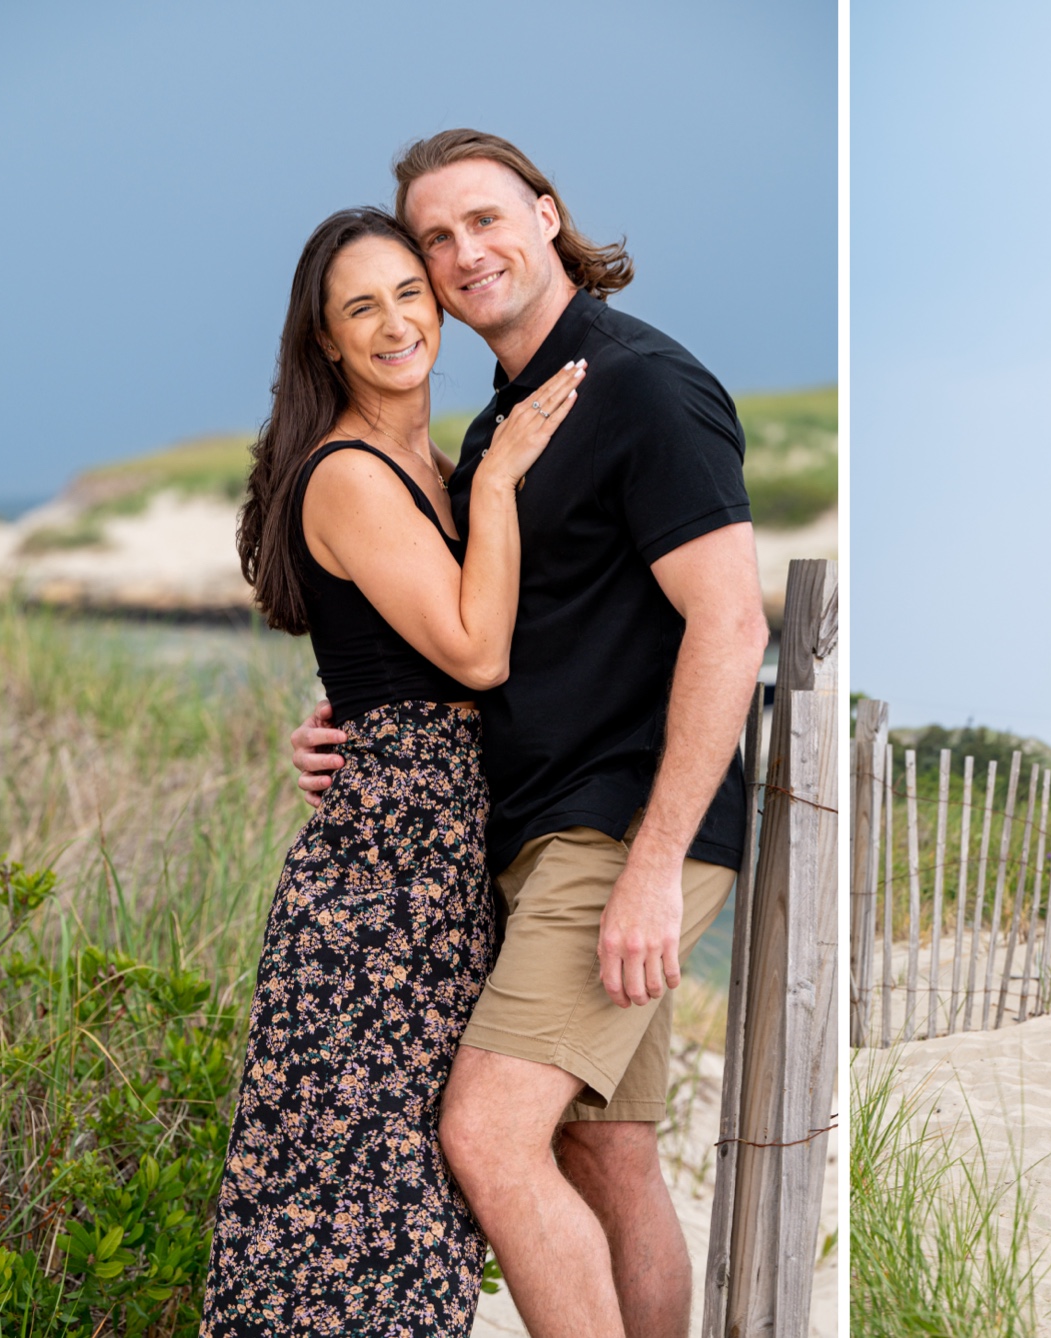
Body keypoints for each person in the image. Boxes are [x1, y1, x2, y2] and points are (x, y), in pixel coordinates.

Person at [289, 131, 767, 1338]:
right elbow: (479, 632)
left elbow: (730, 624)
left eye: (487, 220)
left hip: (621, 826)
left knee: (486, 1140)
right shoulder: (505, 416)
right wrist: (362, 721)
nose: (462, 255)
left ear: (548, 216)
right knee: (608, 1155)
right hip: (535, 826)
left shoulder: (640, 385)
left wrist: (654, 865)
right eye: (435, 239)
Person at [204, 207, 584, 1335]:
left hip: (436, 878)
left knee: (411, 1222)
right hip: (376, 905)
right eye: (358, 308)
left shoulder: (430, 458)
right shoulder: (354, 474)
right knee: (361, 1231)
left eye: (407, 293)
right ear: (325, 342)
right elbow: (474, 649)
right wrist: (505, 485)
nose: (394, 322)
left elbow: (398, 659)